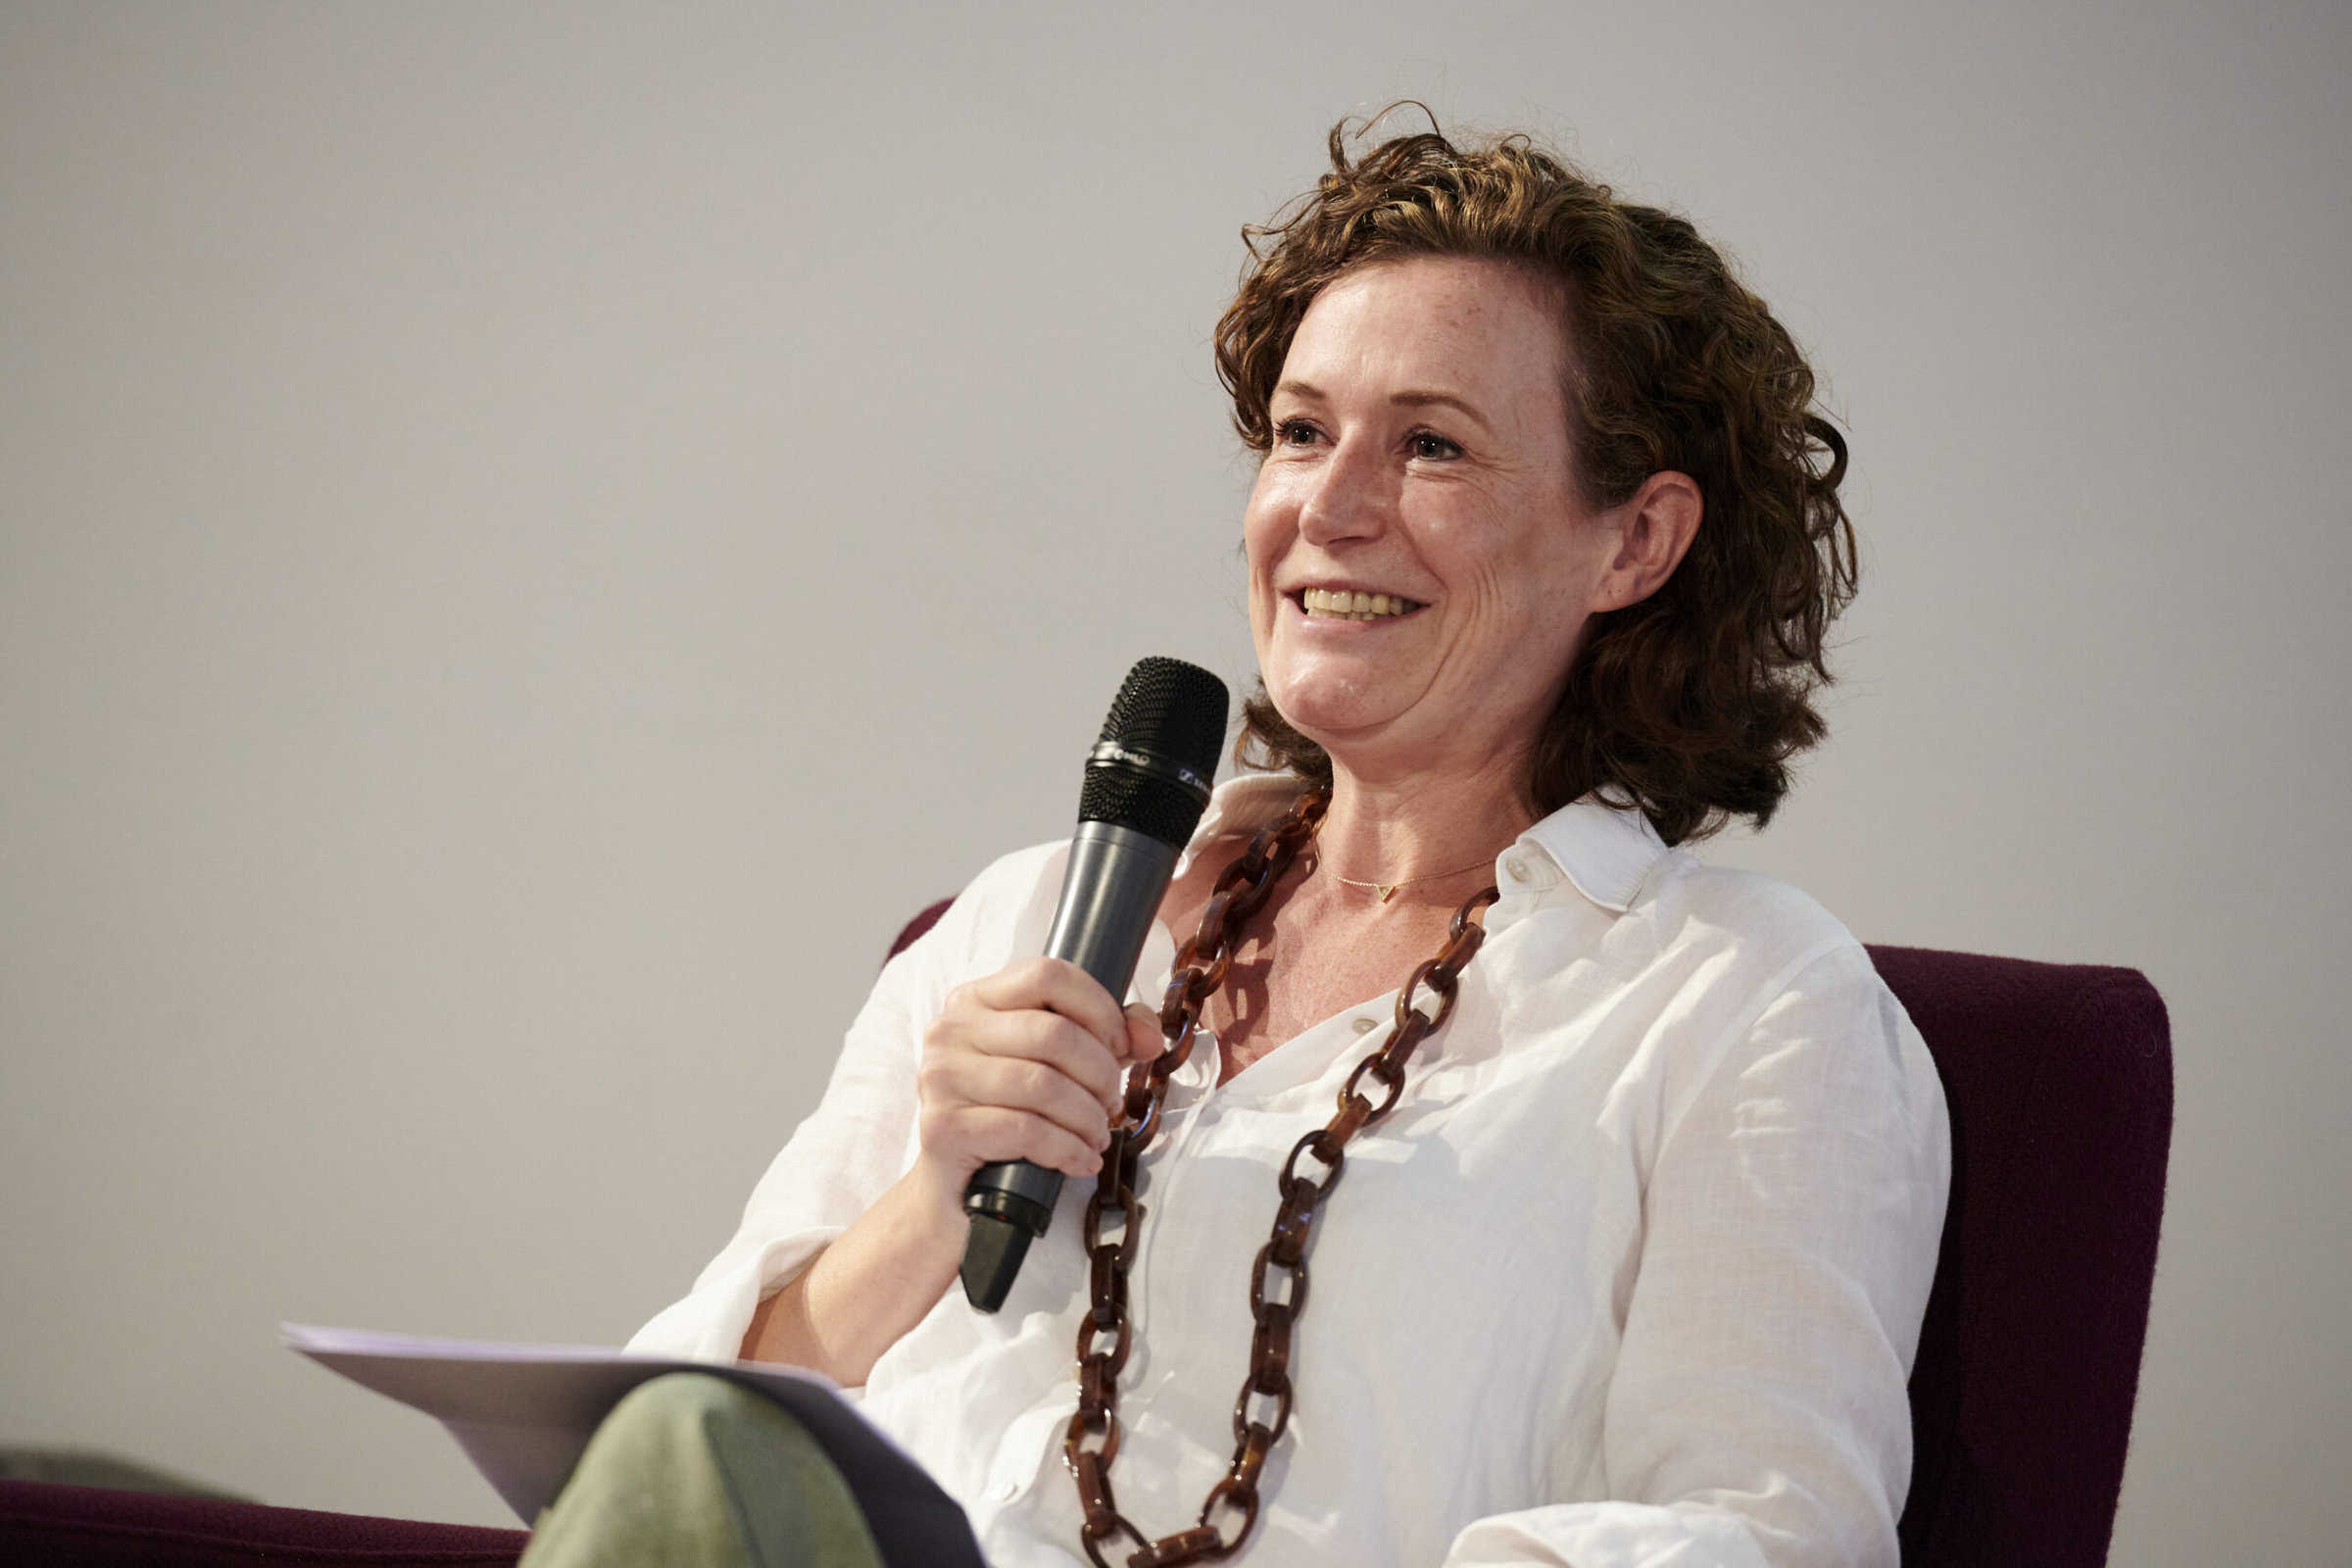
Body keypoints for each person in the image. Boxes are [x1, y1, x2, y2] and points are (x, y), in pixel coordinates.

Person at [530, 110, 1949, 1568]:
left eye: (1432, 446)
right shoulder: (1024, 921)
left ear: (1635, 541)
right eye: (1300, 432)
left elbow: (1768, 1535)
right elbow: (656, 1472)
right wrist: (932, 1200)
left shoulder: (1748, 1003)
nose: (1327, 508)